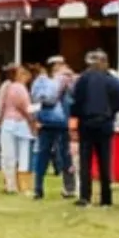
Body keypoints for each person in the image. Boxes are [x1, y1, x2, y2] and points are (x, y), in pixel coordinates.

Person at [70, 48, 119, 207]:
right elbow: (117, 104)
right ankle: (106, 198)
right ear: (105, 62)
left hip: (86, 123)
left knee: (85, 161)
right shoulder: (113, 81)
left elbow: (76, 102)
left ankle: (85, 197)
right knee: (104, 161)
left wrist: (78, 117)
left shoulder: (83, 80)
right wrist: (110, 115)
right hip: (105, 124)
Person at [30, 56, 75, 200]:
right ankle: (69, 188)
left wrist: (35, 119)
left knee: (42, 154)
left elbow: (35, 101)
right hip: (61, 123)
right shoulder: (65, 80)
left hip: (45, 122)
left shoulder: (40, 82)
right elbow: (73, 99)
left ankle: (38, 189)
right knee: (65, 155)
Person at [0, 64, 33, 195]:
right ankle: (24, 186)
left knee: (8, 156)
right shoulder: (20, 88)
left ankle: (10, 184)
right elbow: (27, 108)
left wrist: (0, 120)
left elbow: (0, 107)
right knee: (23, 156)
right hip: (21, 124)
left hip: (7, 123)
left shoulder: (5, 87)